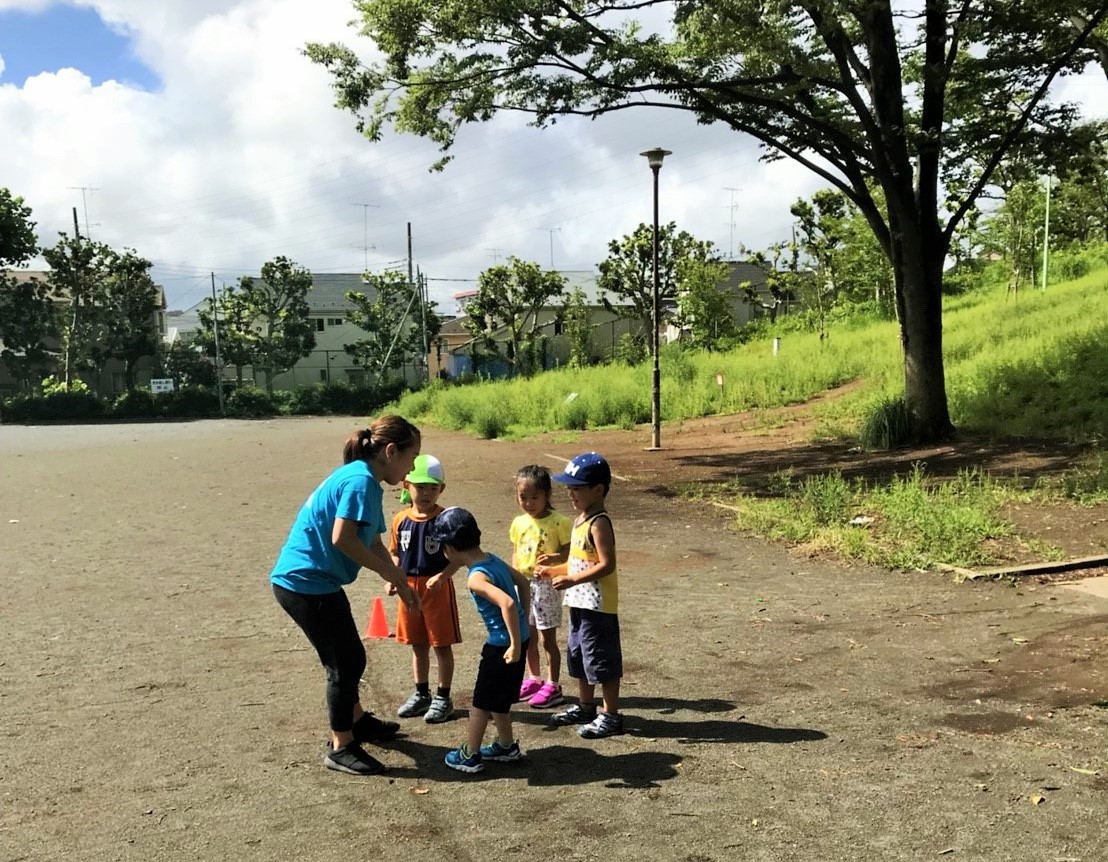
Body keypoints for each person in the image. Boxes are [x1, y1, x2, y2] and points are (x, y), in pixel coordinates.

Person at [270, 416, 423, 777]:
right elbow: (343, 538)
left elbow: (370, 540)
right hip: (304, 583)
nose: (413, 465)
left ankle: (356, 721)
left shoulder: (364, 478)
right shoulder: (359, 481)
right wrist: (389, 574)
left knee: (350, 656)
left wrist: (399, 580)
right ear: (390, 451)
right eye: (412, 455)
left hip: (316, 582)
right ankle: (341, 745)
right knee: (344, 663)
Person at [429, 507, 531, 774]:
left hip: (501, 646)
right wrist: (524, 623)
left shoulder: (476, 578)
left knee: (480, 703)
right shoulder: (492, 560)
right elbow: (523, 582)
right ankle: (506, 745)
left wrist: (513, 645)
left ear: (449, 548)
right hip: (517, 639)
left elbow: (507, 603)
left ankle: (469, 754)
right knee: (498, 700)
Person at [535, 452, 624, 739]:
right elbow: (577, 562)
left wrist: (572, 578)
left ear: (598, 490)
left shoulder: (599, 522)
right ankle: (585, 706)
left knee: (602, 660)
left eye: (577, 488)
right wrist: (554, 569)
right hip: (578, 602)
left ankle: (610, 714)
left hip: (598, 605)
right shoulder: (579, 520)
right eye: (569, 488)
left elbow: (606, 563)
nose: (571, 494)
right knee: (580, 655)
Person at [389, 454, 462, 724]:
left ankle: (444, 697)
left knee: (441, 645)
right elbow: (395, 553)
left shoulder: (445, 519)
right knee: (417, 644)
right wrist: (393, 578)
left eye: (433, 487)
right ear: (406, 486)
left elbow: (459, 557)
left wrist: (443, 576)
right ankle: (422, 694)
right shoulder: (400, 520)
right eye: (421, 487)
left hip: (437, 590)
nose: (427, 493)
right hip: (409, 590)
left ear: (441, 489)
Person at [510, 465, 572, 708]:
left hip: (546, 585)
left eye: (535, 497)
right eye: (523, 497)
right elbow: (516, 551)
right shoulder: (518, 523)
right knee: (528, 636)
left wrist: (556, 559)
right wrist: (513, 578)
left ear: (547, 495)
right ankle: (534, 678)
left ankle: (553, 684)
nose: (528, 503)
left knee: (548, 639)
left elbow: (570, 553)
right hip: (523, 583)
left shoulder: (560, 522)